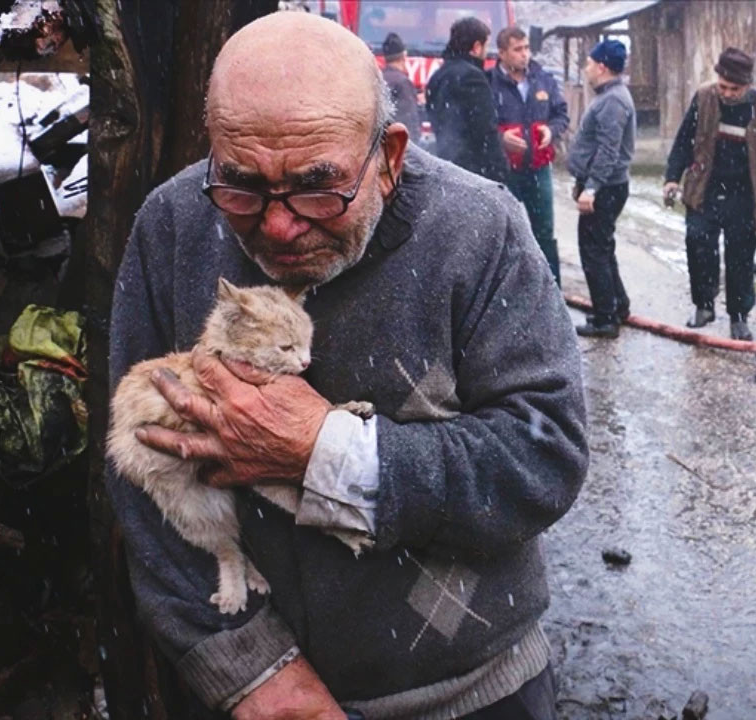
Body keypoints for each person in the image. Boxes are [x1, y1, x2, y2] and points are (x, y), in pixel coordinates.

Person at [106, 12, 586, 720]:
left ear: (389, 156)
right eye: (240, 184)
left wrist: (326, 453)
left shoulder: (480, 229)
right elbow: (137, 479)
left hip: (472, 694)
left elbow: (544, 457)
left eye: (316, 185)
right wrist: (246, 669)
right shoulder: (172, 226)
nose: (277, 224)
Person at [664, 47, 756, 341]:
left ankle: (739, 317)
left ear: (747, 85)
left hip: (746, 195)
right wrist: (672, 178)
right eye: (722, 86)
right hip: (706, 190)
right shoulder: (704, 99)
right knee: (698, 243)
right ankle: (704, 305)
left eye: (734, 89)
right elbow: (684, 140)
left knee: (740, 258)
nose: (726, 93)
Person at [565, 39, 635, 338]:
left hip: (605, 187)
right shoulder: (610, 96)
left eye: (590, 63)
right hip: (604, 185)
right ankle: (617, 305)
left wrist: (591, 188)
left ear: (602, 67)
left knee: (593, 251)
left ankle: (606, 318)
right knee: (602, 247)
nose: (586, 69)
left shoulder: (613, 101)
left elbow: (609, 150)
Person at [489, 26, 569, 285]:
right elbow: (480, 126)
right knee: (504, 232)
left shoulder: (542, 78)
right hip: (505, 171)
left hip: (538, 168)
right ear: (502, 53)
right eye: (517, 49)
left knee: (544, 231)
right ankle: (509, 289)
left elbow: (561, 114)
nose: (524, 55)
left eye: (526, 48)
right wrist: (501, 139)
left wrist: (551, 129)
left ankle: (551, 288)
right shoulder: (489, 83)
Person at [425, 16, 507, 182]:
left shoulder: (437, 76)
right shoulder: (473, 78)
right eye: (486, 46)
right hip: (473, 171)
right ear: (476, 47)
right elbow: (485, 130)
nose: (486, 52)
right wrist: (500, 170)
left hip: (445, 166)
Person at [380, 32, 424, 138]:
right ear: (404, 57)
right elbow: (409, 119)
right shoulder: (403, 82)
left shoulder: (379, 78)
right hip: (398, 143)